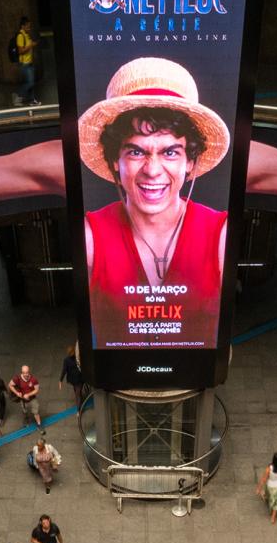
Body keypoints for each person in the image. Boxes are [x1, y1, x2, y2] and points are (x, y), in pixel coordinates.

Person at [79, 58, 230, 347]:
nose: (152, 169)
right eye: (136, 152)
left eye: (170, 152)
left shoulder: (220, 232)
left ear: (190, 162)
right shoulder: (90, 234)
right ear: (114, 161)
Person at [15, 14, 38, 105]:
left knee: (30, 83)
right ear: (22, 26)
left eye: (30, 26)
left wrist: (33, 44)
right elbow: (21, 51)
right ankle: (18, 96)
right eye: (27, 26)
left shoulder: (26, 35)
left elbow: (28, 46)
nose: (29, 28)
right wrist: (30, 45)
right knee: (30, 83)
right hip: (24, 64)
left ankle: (32, 100)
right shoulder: (20, 36)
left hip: (29, 62)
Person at [60, 345, 87, 409]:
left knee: (77, 393)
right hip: (79, 378)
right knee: (77, 391)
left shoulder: (66, 360)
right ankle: (79, 400)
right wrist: (60, 380)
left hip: (75, 379)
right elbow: (64, 370)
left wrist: (60, 380)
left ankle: (78, 409)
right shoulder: (77, 358)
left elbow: (64, 370)